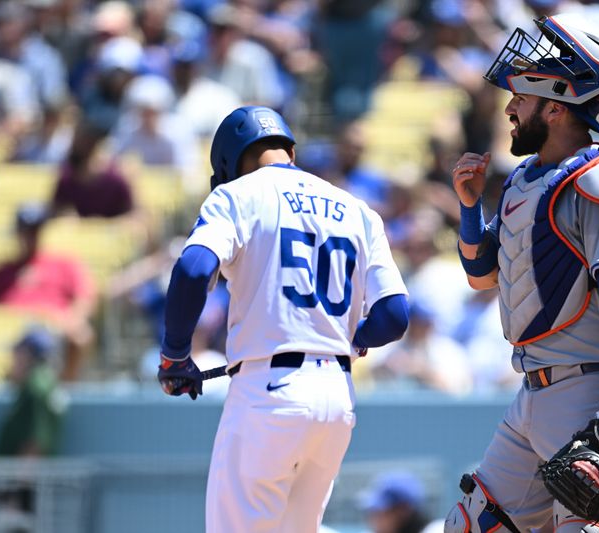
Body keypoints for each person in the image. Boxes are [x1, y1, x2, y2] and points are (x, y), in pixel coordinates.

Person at [444, 14, 599, 532]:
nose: (510, 107)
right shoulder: (524, 178)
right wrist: (470, 207)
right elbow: (480, 273)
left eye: (521, 96)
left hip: (590, 388)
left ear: (557, 108)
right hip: (533, 391)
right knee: (471, 525)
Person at [156, 106, 409, 533]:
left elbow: (194, 268)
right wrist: (353, 336)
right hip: (336, 399)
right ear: (290, 150)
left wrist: (174, 356)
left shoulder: (237, 195)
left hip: (268, 394)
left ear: (227, 162)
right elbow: (394, 315)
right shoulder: (356, 208)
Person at [0, 203, 97, 381]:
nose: (29, 237)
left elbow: (84, 299)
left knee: (81, 336)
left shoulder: (64, 264)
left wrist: (67, 321)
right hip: (11, 335)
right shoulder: (0, 273)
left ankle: (63, 393)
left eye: (34, 230)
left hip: (53, 331)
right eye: (25, 231)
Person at [0, 326, 66, 457]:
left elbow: (34, 447)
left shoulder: (36, 388)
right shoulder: (42, 383)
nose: (13, 360)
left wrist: (21, 477)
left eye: (17, 353)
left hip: (14, 475)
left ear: (27, 356)